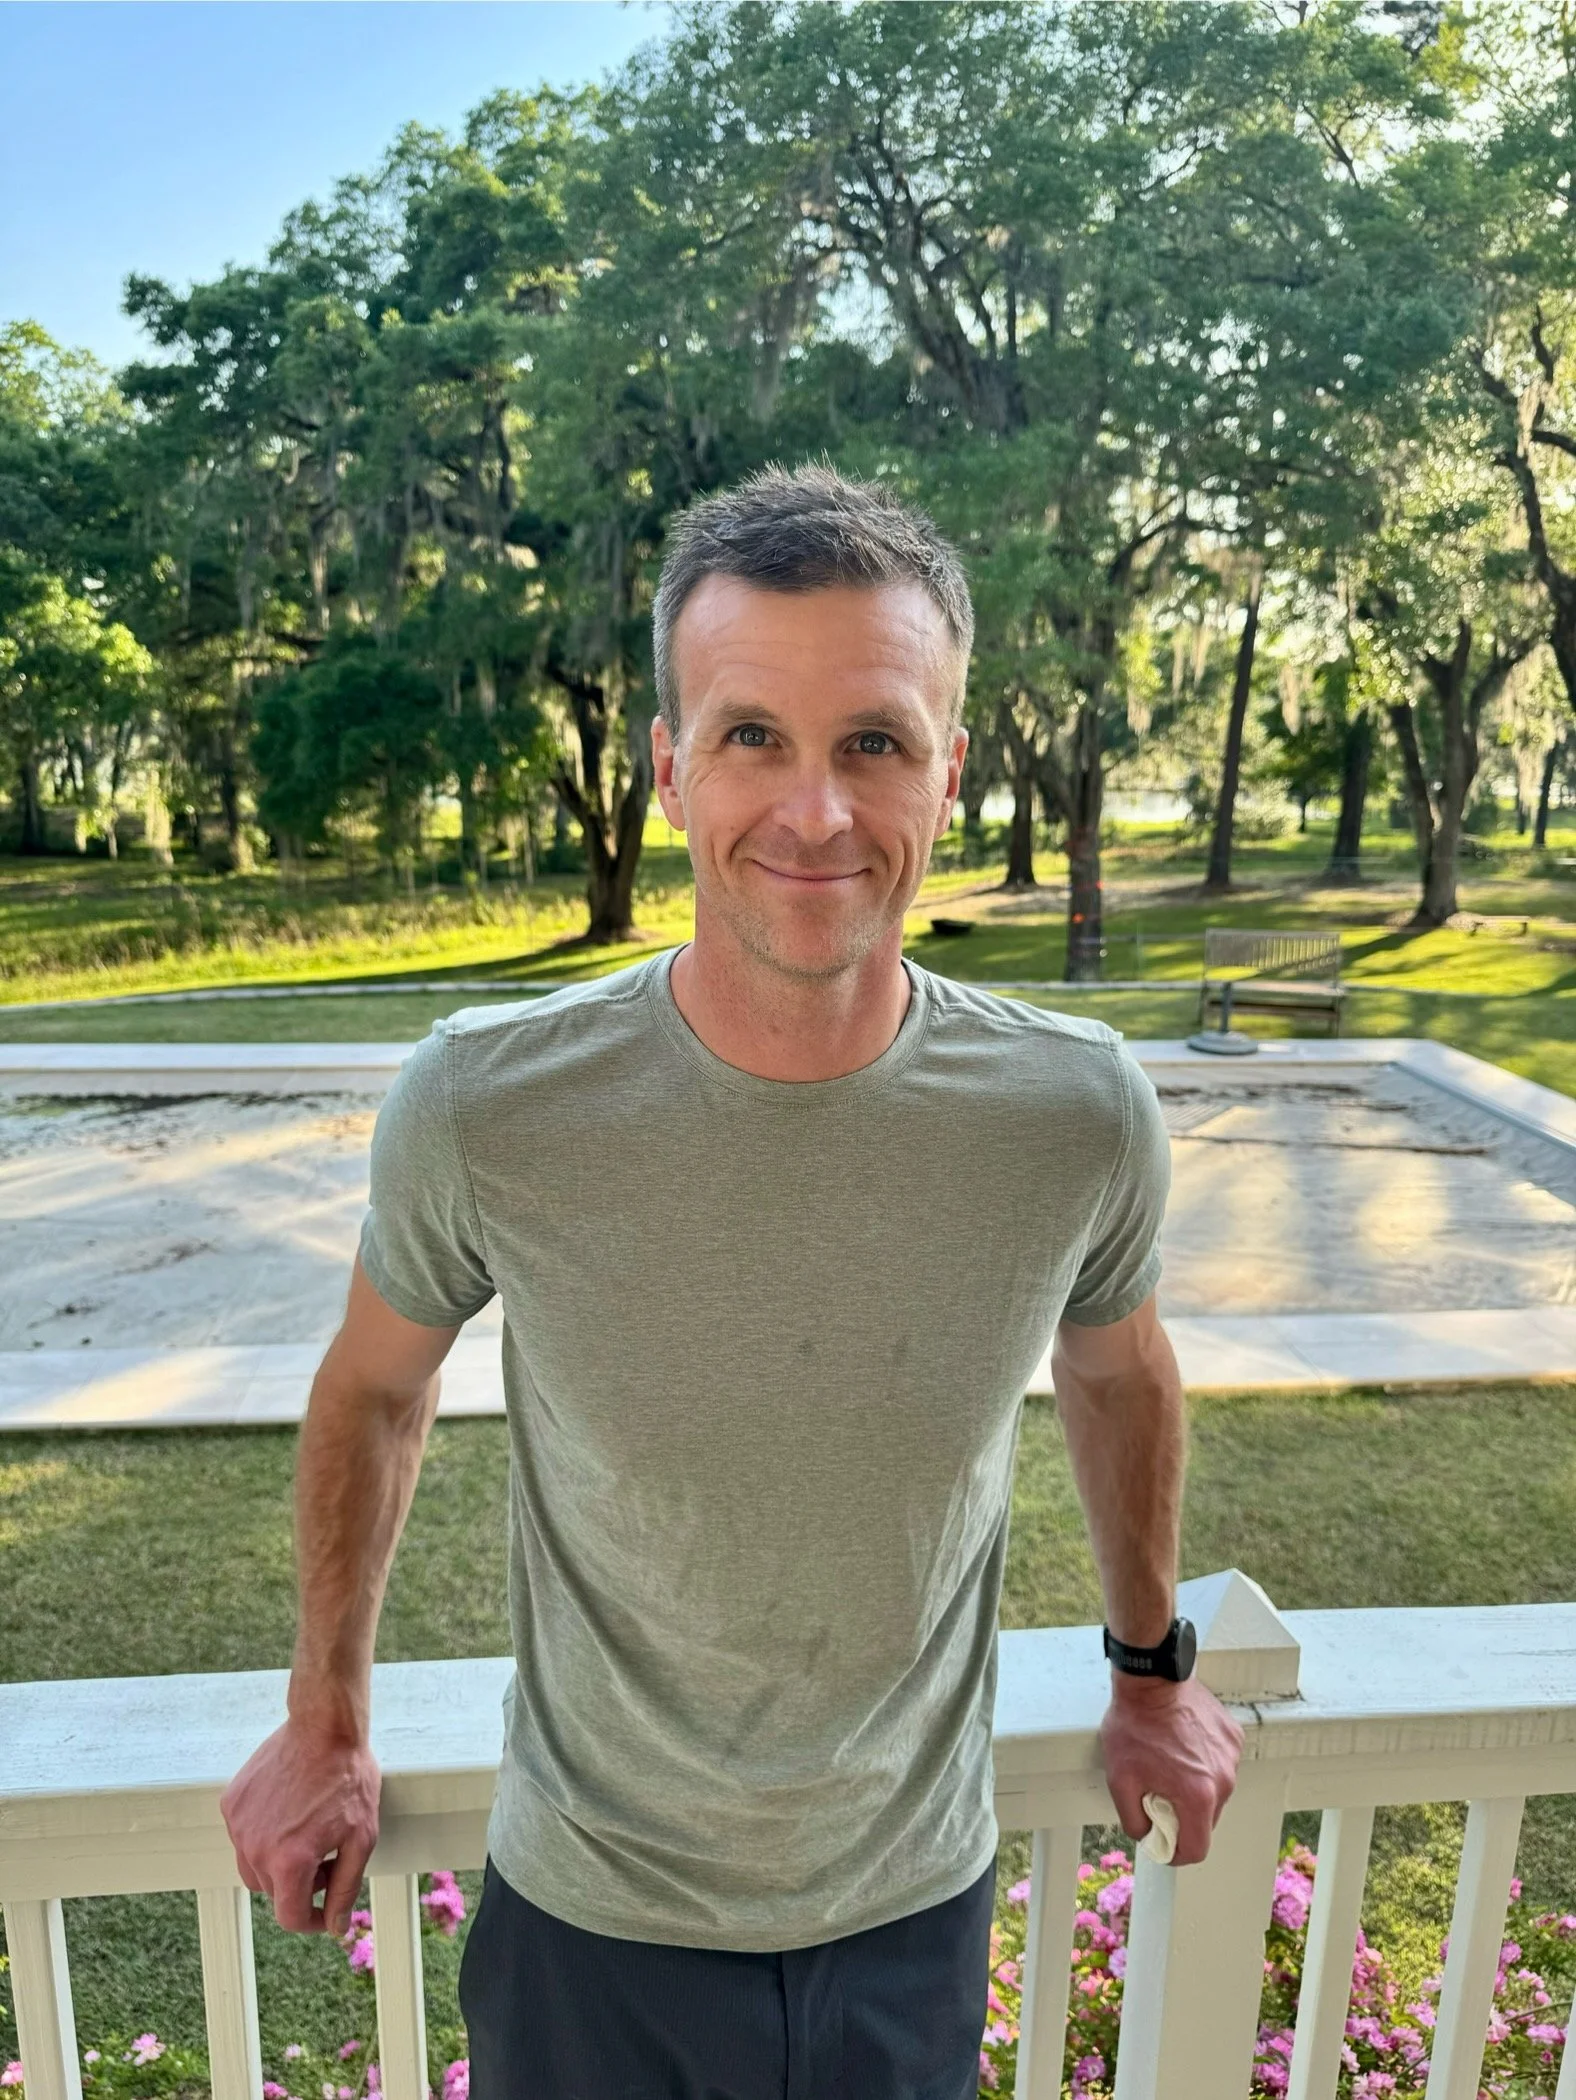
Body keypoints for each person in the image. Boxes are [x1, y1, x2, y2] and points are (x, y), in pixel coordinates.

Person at [220, 464, 1243, 2100]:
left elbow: (1119, 1372)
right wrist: (327, 1713)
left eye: (875, 742)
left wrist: (1148, 1673)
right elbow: (374, 1385)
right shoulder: (490, 1102)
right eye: (753, 735)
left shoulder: (1074, 1112)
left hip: (913, 1907)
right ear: (670, 770)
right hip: (590, 1922)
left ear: (950, 770)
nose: (816, 811)